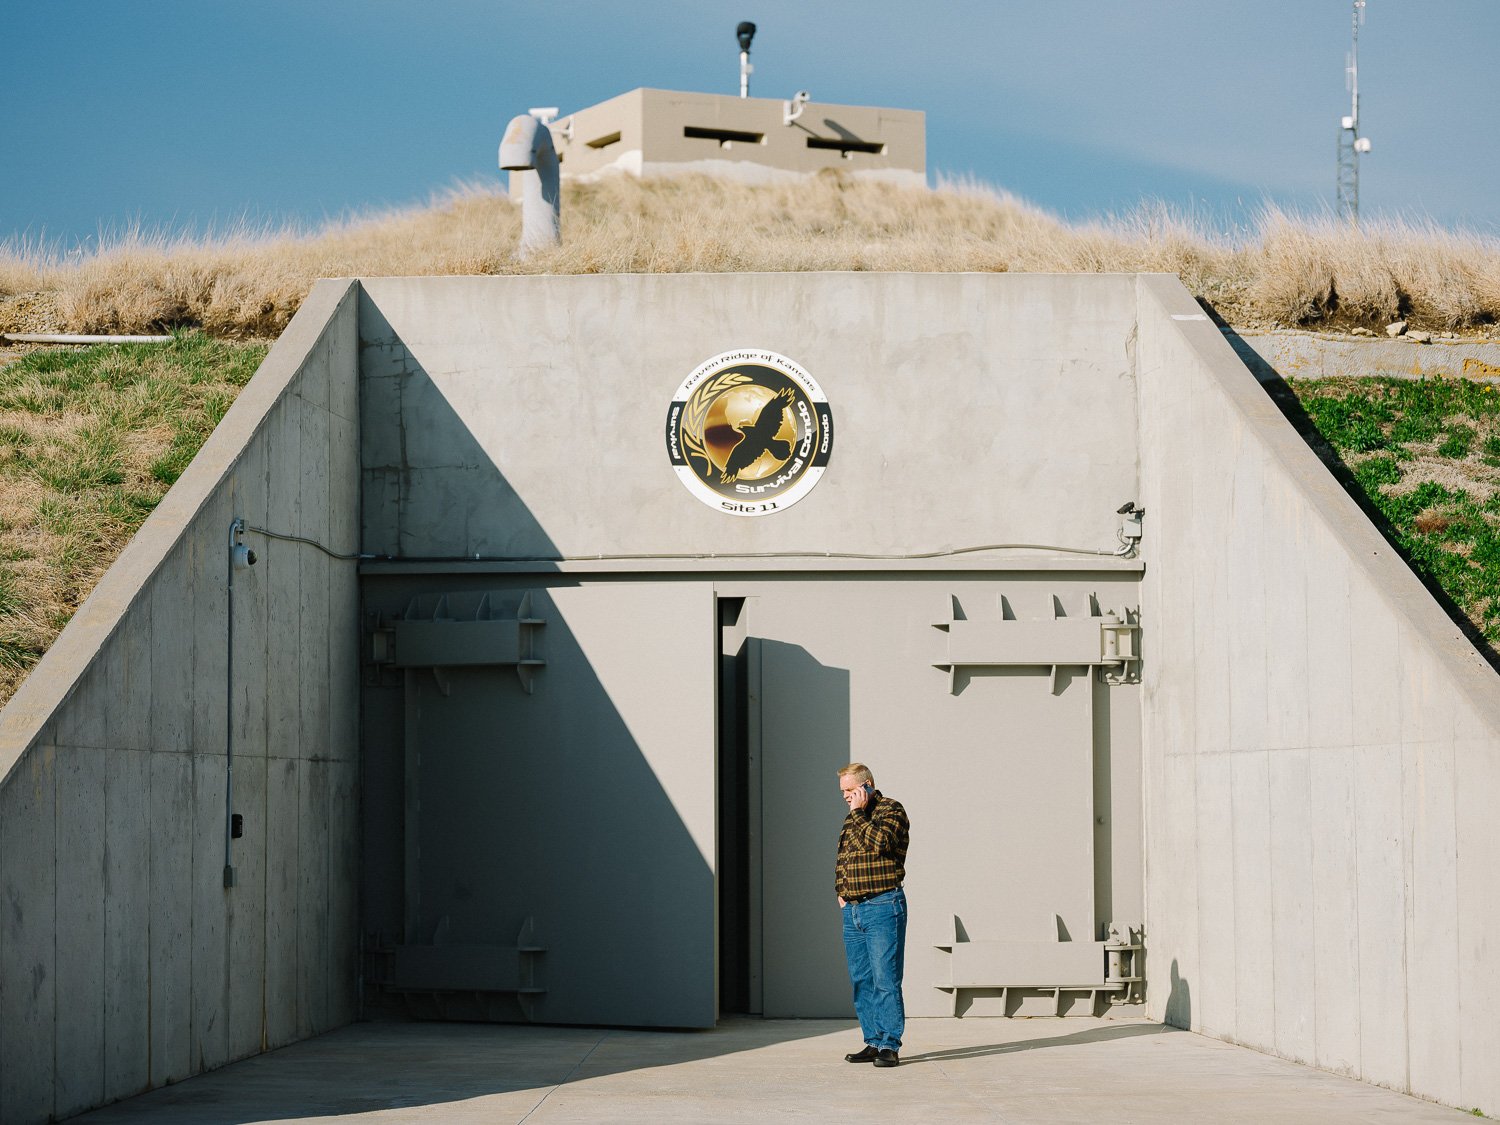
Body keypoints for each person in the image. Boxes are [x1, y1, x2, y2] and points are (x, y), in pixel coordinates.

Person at [834, 762, 910, 1068]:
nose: (846, 797)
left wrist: (859, 814)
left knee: (885, 979)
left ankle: (889, 1045)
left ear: (868, 785)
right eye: (843, 792)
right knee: (862, 980)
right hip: (853, 910)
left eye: (851, 790)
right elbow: (846, 856)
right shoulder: (852, 818)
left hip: (882, 905)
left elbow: (880, 844)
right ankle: (873, 1040)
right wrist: (840, 891)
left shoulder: (891, 810)